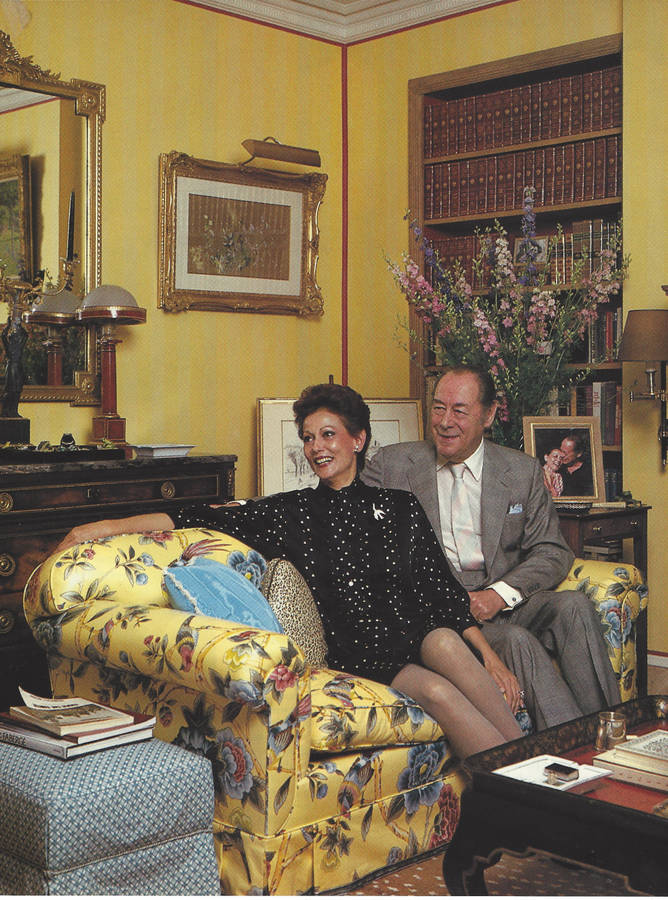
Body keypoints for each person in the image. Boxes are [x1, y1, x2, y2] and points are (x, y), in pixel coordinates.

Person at [55, 382, 522, 758]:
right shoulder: (289, 512)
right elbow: (196, 516)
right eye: (307, 437)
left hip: (416, 632)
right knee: (438, 693)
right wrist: (104, 525)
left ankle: (528, 760)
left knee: (443, 638)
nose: (316, 447)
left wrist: (491, 658)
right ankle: (519, 793)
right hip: (364, 652)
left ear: (358, 440)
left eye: (328, 434)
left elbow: (439, 590)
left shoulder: (398, 505)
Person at [362, 365, 620, 731]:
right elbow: (353, 524)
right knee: (514, 641)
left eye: (459, 410)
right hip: (448, 614)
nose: (445, 421)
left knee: (574, 606)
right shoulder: (392, 466)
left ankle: (611, 731)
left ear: (488, 415)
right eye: (438, 408)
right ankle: (571, 749)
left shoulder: (521, 471)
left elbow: (553, 550)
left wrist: (498, 596)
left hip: (508, 599)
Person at [559, 432, 593, 497]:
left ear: (579, 453)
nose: (562, 455)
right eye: (561, 451)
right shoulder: (558, 468)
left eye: (565, 453)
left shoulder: (589, 471)